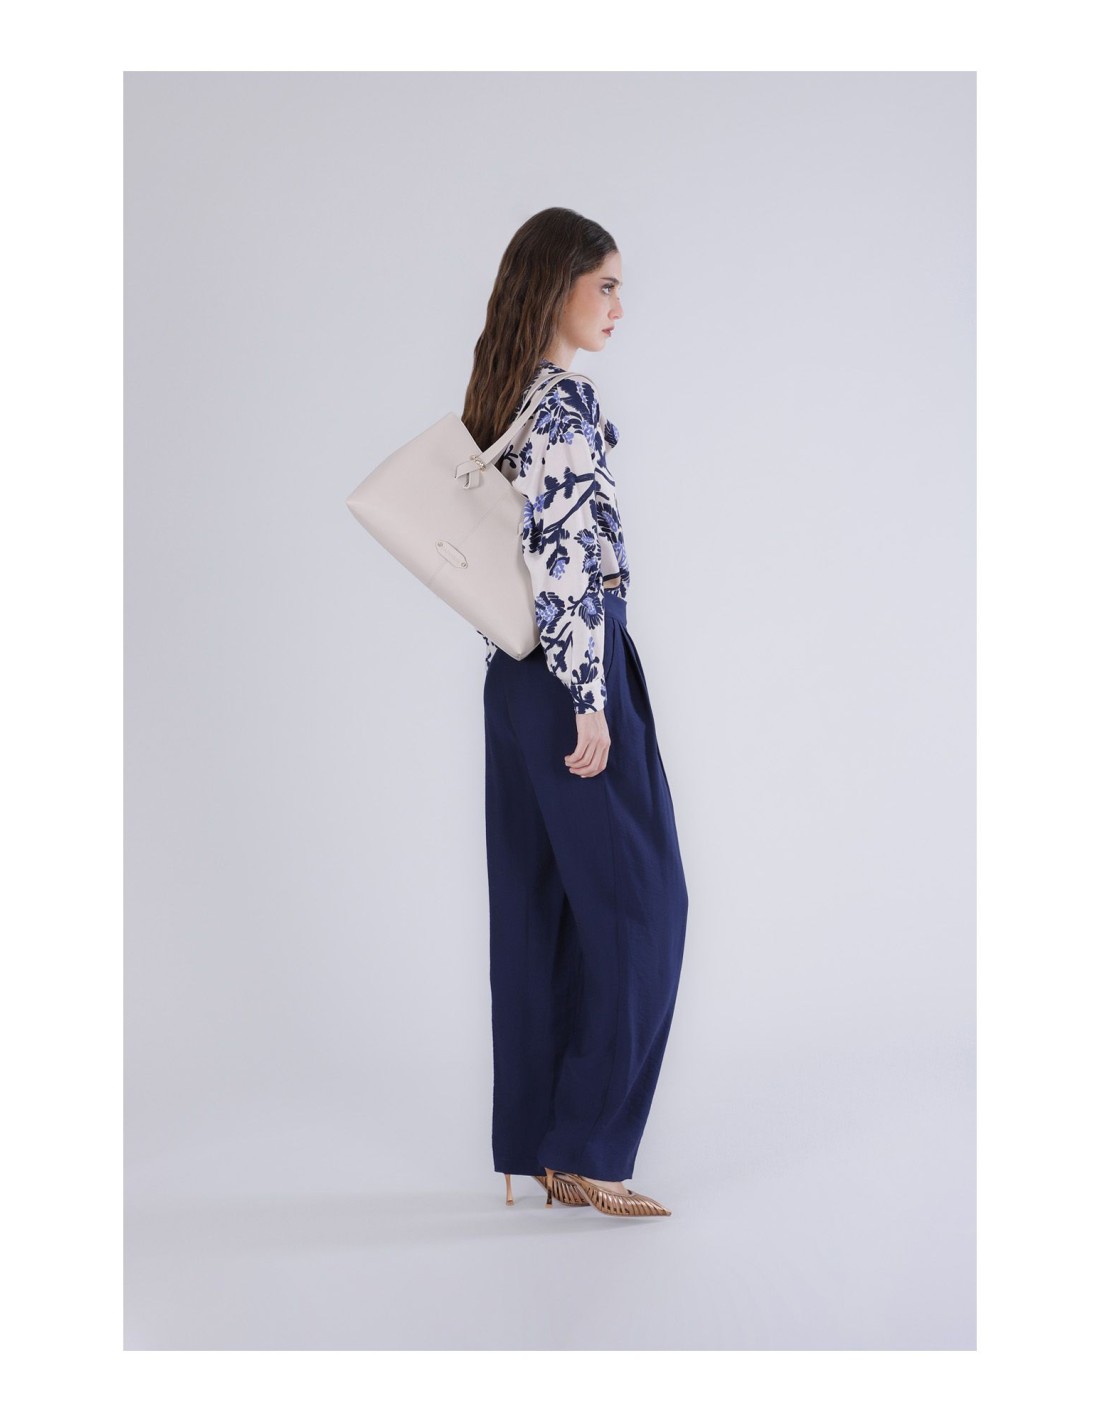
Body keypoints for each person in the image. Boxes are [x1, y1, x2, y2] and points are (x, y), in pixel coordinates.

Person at [464, 207, 689, 1218]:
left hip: (513, 676)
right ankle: (591, 1153)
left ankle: (542, 1147)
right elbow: (561, 561)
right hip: (570, 669)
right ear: (557, 285)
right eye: (605, 286)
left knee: (539, 905)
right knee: (643, 906)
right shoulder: (561, 403)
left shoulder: (505, 397)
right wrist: (591, 699)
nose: (618, 308)